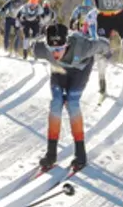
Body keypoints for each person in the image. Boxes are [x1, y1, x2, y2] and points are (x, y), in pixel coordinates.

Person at [31, 20, 107, 171]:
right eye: (52, 49)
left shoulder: (83, 47)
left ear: (67, 44)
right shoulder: (44, 50)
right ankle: (51, 154)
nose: (56, 53)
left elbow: (101, 45)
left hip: (80, 70)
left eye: (59, 48)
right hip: (59, 71)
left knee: (72, 101)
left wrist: (107, 48)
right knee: (56, 103)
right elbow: (33, 46)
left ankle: (81, 153)